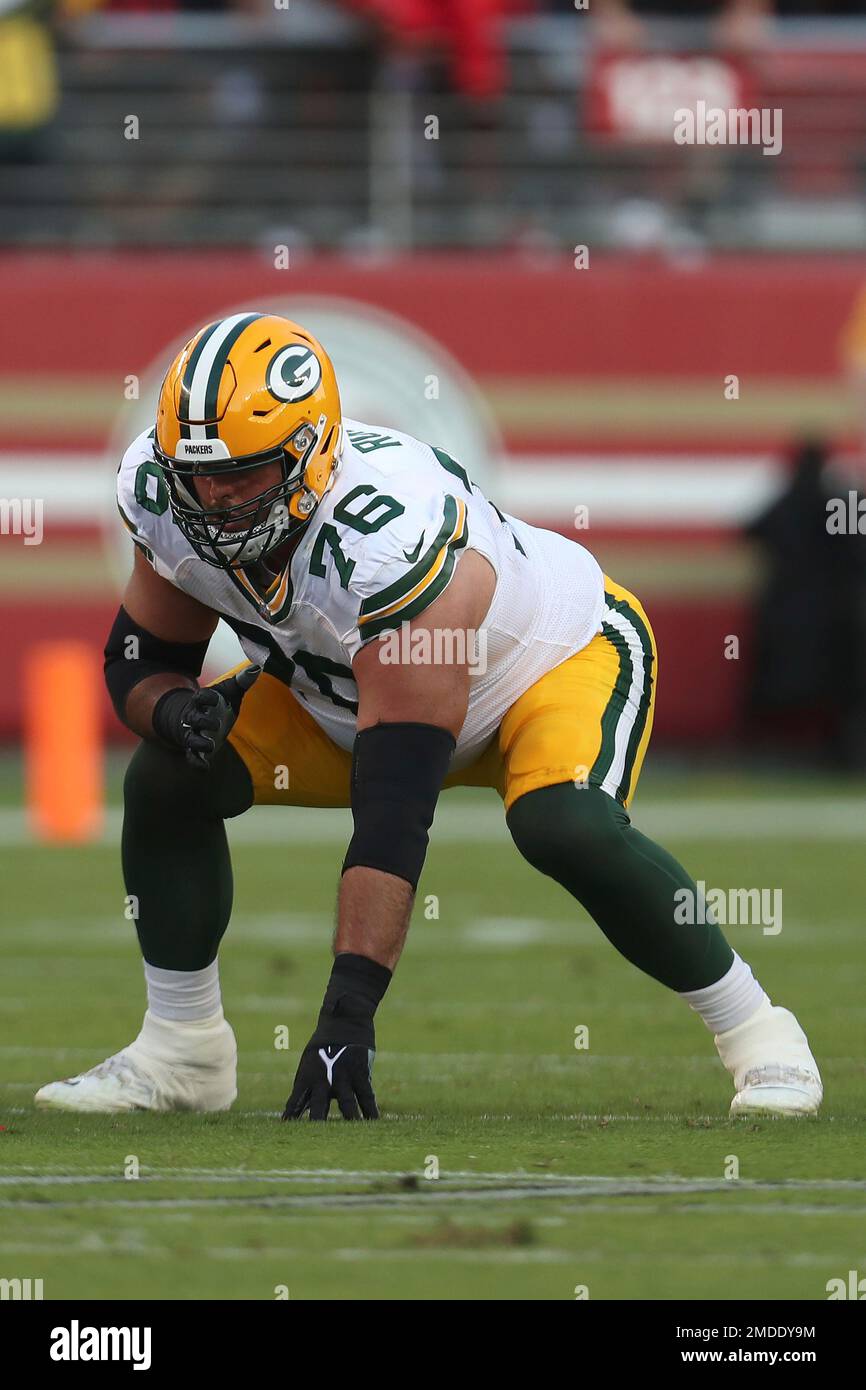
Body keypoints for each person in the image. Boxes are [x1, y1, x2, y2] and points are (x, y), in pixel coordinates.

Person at [35, 312, 821, 1119]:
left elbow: (395, 810)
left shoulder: (392, 536)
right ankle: (182, 1053)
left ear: (308, 455)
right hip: (344, 694)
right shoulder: (164, 496)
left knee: (564, 824)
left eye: (244, 473)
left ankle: (760, 1032)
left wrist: (348, 1014)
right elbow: (141, 657)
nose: (215, 497)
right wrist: (172, 716)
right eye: (198, 474)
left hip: (542, 667)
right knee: (170, 775)